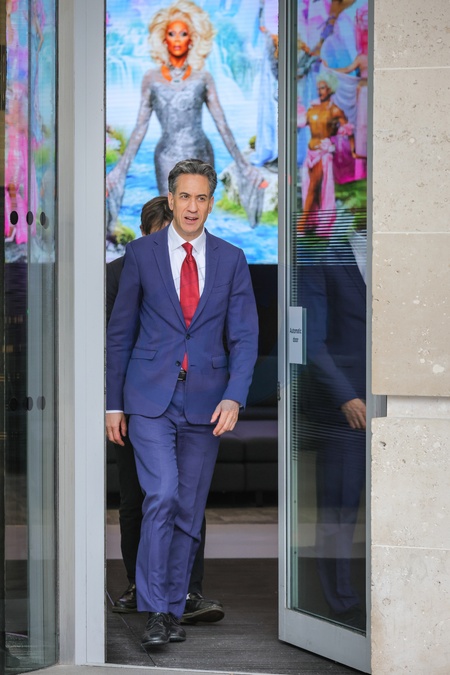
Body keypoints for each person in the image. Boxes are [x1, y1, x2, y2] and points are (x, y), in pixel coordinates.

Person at [106, 158, 258, 649]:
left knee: (189, 511)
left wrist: (234, 394)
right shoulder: (141, 253)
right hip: (148, 398)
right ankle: (154, 609)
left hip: (207, 402)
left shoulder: (232, 258)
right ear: (170, 200)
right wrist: (113, 405)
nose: (193, 206)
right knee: (163, 495)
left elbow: (245, 336)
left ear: (211, 203)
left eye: (202, 197)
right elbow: (120, 334)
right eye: (185, 196)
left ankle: (172, 609)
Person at [108, 195, 224, 624]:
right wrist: (115, 405)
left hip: (190, 401)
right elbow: (113, 340)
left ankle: (186, 591)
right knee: (138, 498)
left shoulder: (211, 264)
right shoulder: (118, 272)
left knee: (185, 498)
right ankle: (140, 586)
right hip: (138, 402)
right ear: (144, 236)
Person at [106, 0, 266, 232]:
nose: (177, 39)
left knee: (196, 217)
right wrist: (119, 170)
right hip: (166, 157)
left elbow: (222, 124)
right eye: (172, 33)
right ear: (164, 39)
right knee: (168, 220)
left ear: (191, 40)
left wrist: (244, 166)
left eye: (183, 34)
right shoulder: (151, 79)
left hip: (200, 155)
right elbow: (140, 128)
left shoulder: (203, 78)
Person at [299, 218, 367, 631]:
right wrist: (345, 396)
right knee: (339, 509)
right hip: (346, 408)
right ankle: (340, 604)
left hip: (395, 397)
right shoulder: (321, 253)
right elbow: (309, 338)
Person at [297, 71, 355, 237]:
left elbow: (348, 130)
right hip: (310, 154)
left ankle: (301, 225)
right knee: (310, 187)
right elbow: (300, 122)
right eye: (318, 88)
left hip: (323, 155)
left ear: (330, 89)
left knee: (313, 187)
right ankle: (312, 223)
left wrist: (353, 151)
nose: (319, 91)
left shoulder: (335, 110)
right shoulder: (313, 108)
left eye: (322, 88)